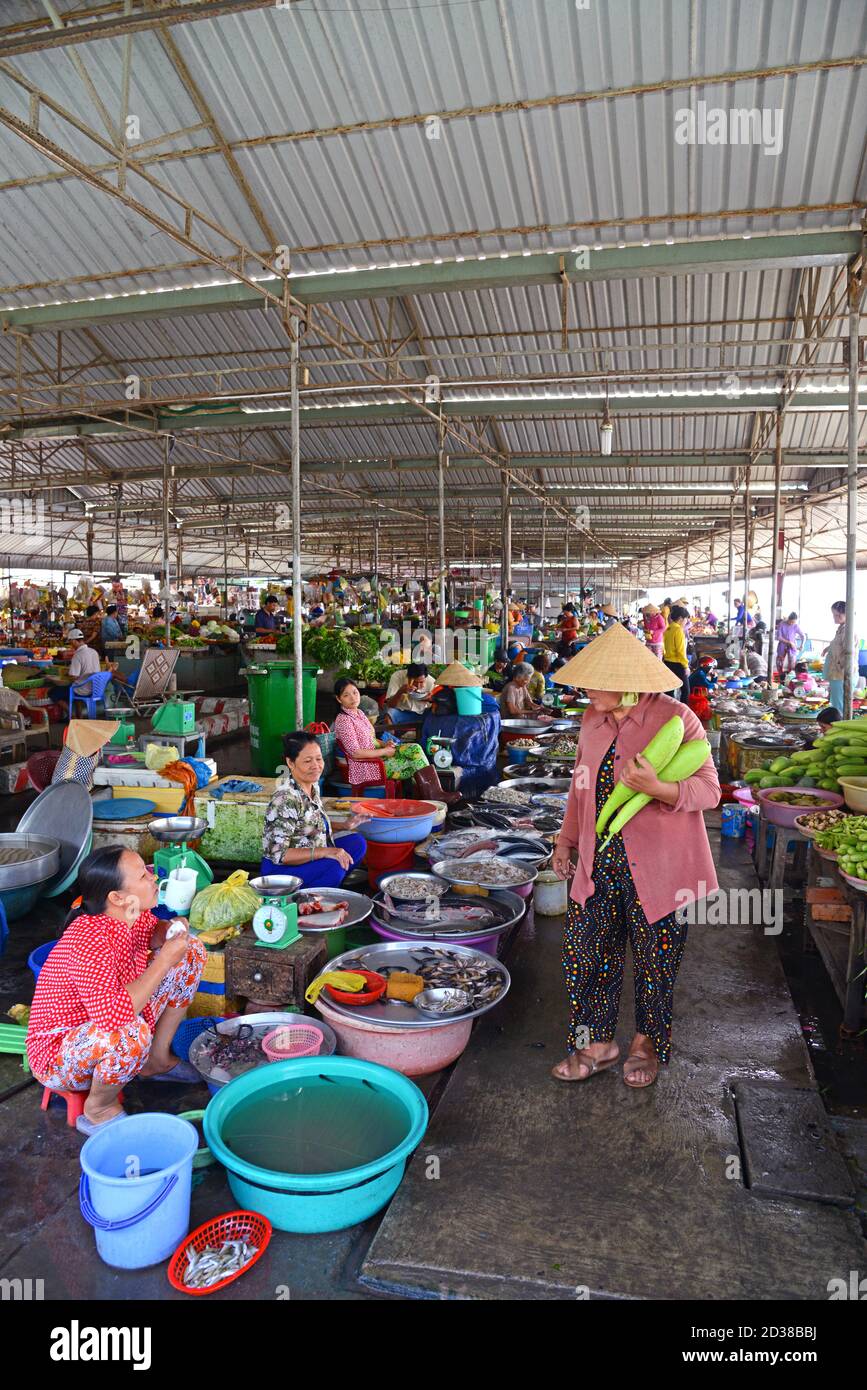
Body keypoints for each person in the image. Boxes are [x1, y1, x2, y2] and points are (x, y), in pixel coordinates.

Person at [549, 622, 719, 1088]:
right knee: (585, 957)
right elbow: (579, 789)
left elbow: (709, 790)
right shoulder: (592, 719)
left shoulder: (677, 718)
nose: (584, 689)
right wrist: (566, 840)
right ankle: (596, 1044)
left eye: (593, 681)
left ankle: (646, 1045)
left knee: (656, 962)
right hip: (598, 860)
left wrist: (657, 788)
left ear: (626, 682)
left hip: (662, 868)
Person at [25, 847, 206, 1134]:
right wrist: (163, 960)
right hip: (58, 1054)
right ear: (116, 897)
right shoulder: (88, 940)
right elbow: (114, 1018)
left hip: (105, 1023)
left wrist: (171, 931)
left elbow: (151, 932)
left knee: (191, 951)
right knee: (130, 1034)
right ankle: (98, 1109)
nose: (152, 877)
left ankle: (155, 1060)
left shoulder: (129, 914)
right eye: (143, 875)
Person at [261, 732, 366, 886]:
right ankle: (311, 896)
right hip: (281, 871)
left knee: (357, 843)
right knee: (335, 867)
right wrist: (327, 852)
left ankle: (325, 881)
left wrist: (343, 826)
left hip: (310, 853)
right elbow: (279, 855)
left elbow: (307, 826)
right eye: (308, 761)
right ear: (290, 763)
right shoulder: (285, 799)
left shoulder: (312, 787)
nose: (316, 766)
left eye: (319, 759)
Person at [332, 675, 398, 788]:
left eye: (355, 692)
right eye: (346, 695)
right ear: (339, 699)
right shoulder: (344, 720)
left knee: (414, 749)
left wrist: (385, 744)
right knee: (415, 760)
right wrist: (385, 752)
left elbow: (369, 739)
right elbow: (356, 753)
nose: (353, 698)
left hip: (377, 759)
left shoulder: (359, 713)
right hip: (366, 767)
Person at [822, 600, 849, 714]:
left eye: (838, 615)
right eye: (834, 614)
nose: (835, 617)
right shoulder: (841, 629)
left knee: (839, 704)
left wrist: (841, 666)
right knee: (836, 701)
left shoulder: (848, 631)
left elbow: (848, 652)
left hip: (841, 673)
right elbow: (837, 645)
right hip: (836, 673)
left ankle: (840, 726)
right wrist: (827, 648)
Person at [662, 604, 690, 703]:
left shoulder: (668, 629)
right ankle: (684, 712)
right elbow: (680, 650)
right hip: (678, 664)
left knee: (669, 691)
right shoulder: (678, 630)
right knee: (686, 691)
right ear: (681, 618)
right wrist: (686, 666)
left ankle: (669, 711)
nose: (686, 621)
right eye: (686, 619)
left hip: (667, 662)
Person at [66, 628, 101, 697]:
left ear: (74, 641)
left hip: (82, 690)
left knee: (54, 692)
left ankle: (69, 708)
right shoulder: (94, 651)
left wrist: (67, 675)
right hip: (95, 689)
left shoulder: (78, 655)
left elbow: (74, 677)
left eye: (70, 642)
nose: (71, 645)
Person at [775, 612, 804, 676]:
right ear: (788, 619)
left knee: (792, 664)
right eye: (791, 622)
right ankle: (781, 676)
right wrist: (789, 642)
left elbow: (803, 636)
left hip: (792, 647)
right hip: (782, 645)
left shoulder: (795, 626)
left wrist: (802, 644)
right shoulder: (782, 624)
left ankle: (790, 677)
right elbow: (779, 637)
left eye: (793, 622)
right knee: (779, 663)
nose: (791, 623)